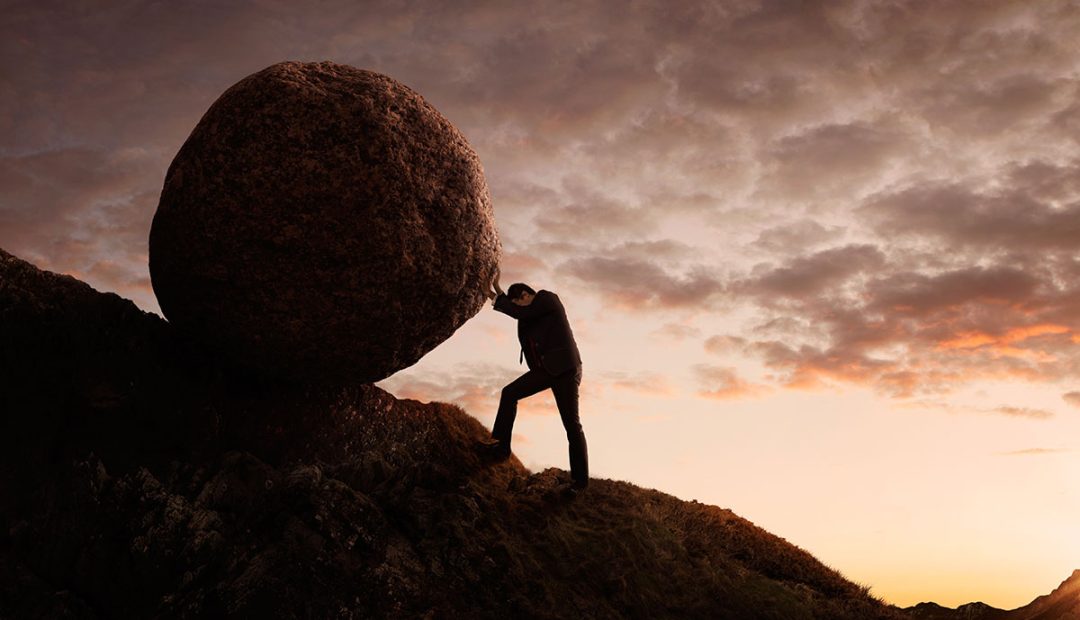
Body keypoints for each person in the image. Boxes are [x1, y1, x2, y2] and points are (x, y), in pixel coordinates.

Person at [480, 268, 588, 493]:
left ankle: (579, 483)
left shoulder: (547, 299)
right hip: (547, 370)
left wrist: (495, 293)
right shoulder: (528, 315)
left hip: (566, 369)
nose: (518, 308)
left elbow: (520, 313)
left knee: (572, 426)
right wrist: (497, 294)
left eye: (518, 303)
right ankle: (501, 448)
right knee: (509, 393)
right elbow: (519, 314)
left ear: (527, 295)